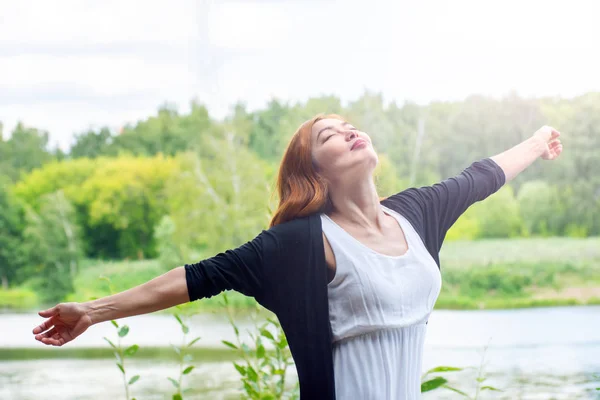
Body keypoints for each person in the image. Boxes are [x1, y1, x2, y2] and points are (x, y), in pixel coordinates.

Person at [32, 114, 563, 399]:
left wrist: (538, 141)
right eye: (329, 135)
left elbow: (479, 177)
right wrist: (95, 310)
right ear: (315, 172)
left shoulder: (416, 215)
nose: (350, 131)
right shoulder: (299, 244)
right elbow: (196, 277)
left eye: (350, 124)